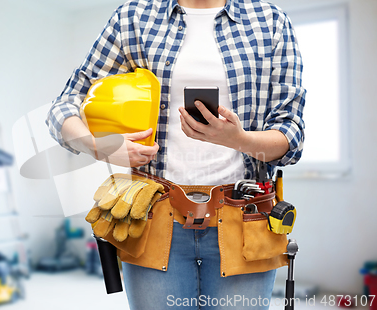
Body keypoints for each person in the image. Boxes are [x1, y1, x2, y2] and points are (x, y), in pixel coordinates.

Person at [47, 0, 305, 308]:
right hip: (153, 217)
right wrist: (98, 146)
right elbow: (65, 104)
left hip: (245, 221)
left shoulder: (270, 21)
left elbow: (291, 135)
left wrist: (238, 139)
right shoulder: (133, 17)